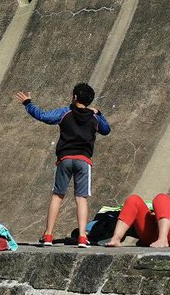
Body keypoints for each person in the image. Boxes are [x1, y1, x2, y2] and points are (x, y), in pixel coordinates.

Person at [14, 82, 111, 248]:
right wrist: (99, 113)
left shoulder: (65, 112)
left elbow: (43, 116)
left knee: (57, 196)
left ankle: (48, 235)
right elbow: (106, 129)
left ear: (74, 97)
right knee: (81, 198)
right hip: (84, 160)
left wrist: (28, 103)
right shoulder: (94, 117)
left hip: (64, 159)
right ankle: (82, 237)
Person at [104, 180, 170, 248]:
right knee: (133, 200)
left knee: (162, 197)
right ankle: (116, 238)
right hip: (151, 235)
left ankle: (162, 239)